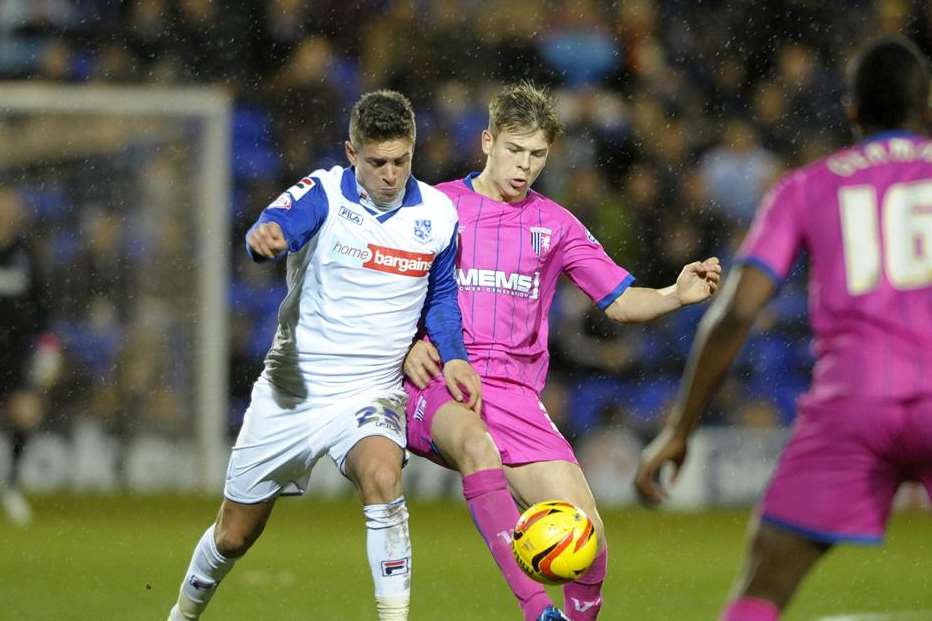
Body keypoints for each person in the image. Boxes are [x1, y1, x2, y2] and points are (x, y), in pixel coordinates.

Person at [634, 35, 932, 621]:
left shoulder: (808, 186)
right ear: (925, 107)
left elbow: (736, 311)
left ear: (850, 110)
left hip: (854, 405)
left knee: (763, 582)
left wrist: (679, 426)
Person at [403, 82, 721, 621]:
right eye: (514, 150)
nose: (524, 165)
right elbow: (387, 289)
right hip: (441, 379)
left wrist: (675, 294)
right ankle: (535, 609)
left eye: (537, 154)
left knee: (589, 540)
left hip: (514, 394)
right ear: (487, 141)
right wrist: (409, 346)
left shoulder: (555, 224)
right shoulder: (436, 206)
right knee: (476, 447)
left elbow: (618, 303)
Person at [167, 90, 481, 621]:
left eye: (401, 161)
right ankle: (181, 614)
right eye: (377, 162)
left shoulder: (439, 214)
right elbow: (275, 225)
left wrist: (453, 355)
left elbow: (443, 293)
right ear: (351, 152)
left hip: (371, 392)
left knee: (383, 476)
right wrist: (264, 238)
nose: (389, 174)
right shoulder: (325, 191)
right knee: (234, 535)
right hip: (293, 391)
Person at [0, 188, 61, 527]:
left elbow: (43, 308)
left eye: (11, 205)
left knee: (25, 414)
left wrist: (49, 346)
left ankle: (10, 486)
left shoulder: (26, 254)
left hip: (17, 351)